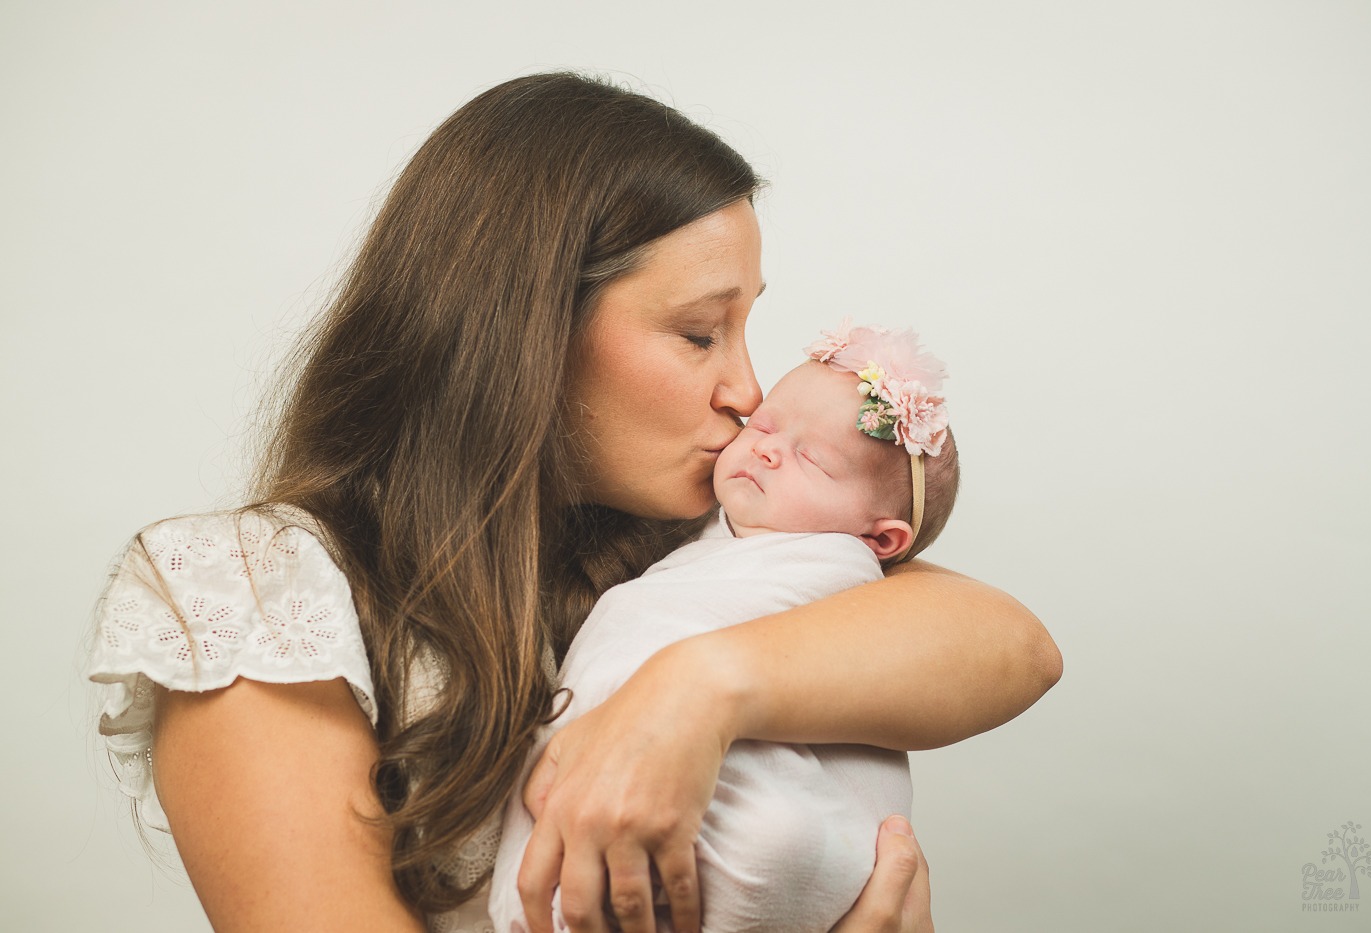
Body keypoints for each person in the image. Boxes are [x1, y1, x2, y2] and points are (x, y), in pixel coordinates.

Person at [85, 72, 1062, 933]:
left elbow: (1013, 646)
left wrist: (696, 691)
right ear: (524, 331)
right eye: (696, 334)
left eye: (744, 330)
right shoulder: (248, 593)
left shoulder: (702, 547)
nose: (746, 390)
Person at [490, 324, 960, 933]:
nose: (765, 448)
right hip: (639, 785)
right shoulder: (699, 523)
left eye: (812, 458)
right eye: (765, 426)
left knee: (764, 840)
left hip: (775, 826)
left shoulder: (836, 570)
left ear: (879, 539)